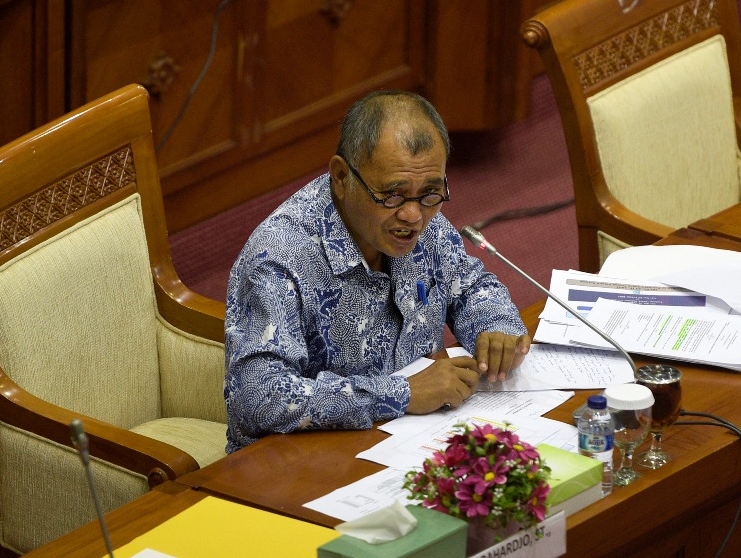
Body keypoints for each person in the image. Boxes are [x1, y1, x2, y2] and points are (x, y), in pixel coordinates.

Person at [224, 90, 530, 452]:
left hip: (412, 442)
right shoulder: (279, 257)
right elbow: (258, 396)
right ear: (341, 176)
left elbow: (470, 285)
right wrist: (401, 394)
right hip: (303, 460)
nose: (414, 217)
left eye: (431, 192)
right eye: (392, 196)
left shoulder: (421, 214)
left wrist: (495, 326)